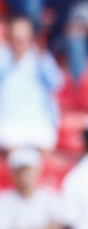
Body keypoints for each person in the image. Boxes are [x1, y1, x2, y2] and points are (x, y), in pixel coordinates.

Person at [0, 16, 63, 151]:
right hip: (8, 121)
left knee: (44, 146)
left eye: (23, 39)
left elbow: (56, 84)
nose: (19, 43)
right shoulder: (3, 58)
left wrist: (42, 61)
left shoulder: (42, 58)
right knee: (10, 144)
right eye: (15, 39)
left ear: (31, 39)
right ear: (9, 38)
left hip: (38, 121)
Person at [0, 148, 62, 229]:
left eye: (28, 171)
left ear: (38, 171)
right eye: (20, 172)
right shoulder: (4, 200)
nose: (25, 176)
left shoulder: (50, 197)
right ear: (13, 174)